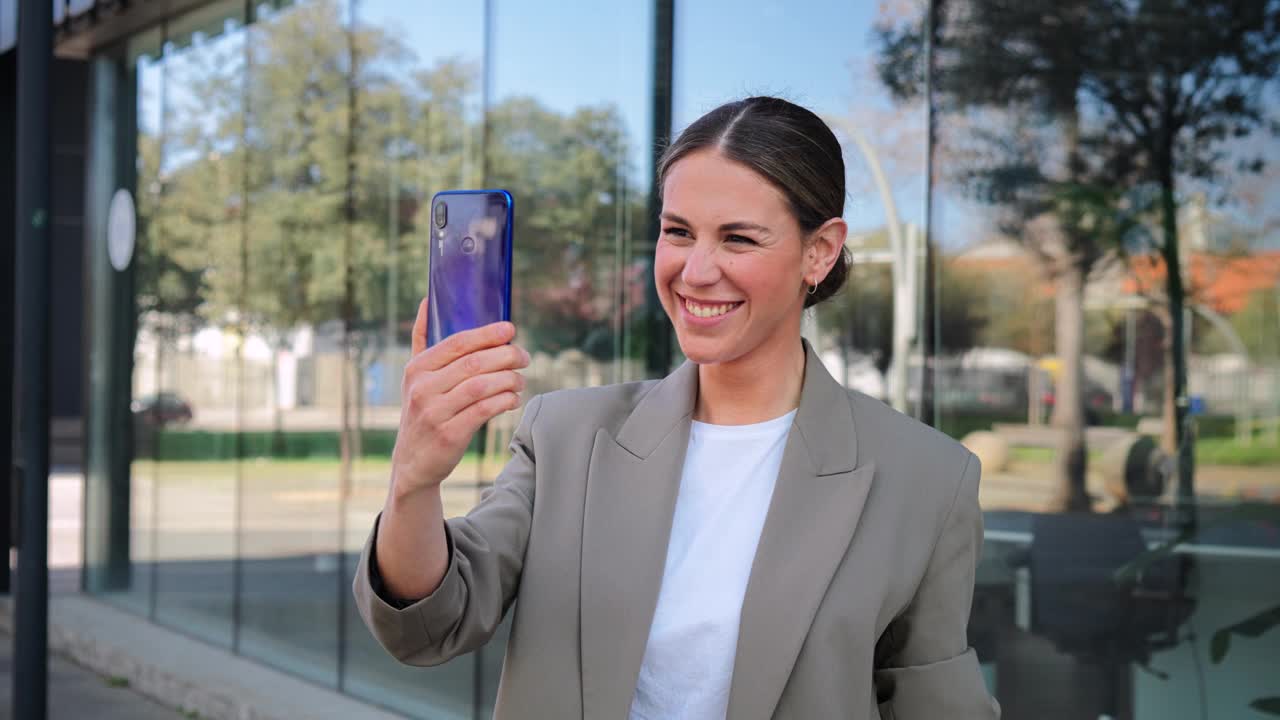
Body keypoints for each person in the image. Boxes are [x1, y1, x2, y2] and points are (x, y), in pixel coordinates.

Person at [353, 96, 1001, 720]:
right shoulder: (567, 436)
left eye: (738, 239)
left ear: (820, 250)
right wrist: (414, 480)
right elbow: (430, 623)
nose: (695, 271)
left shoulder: (927, 481)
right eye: (678, 232)